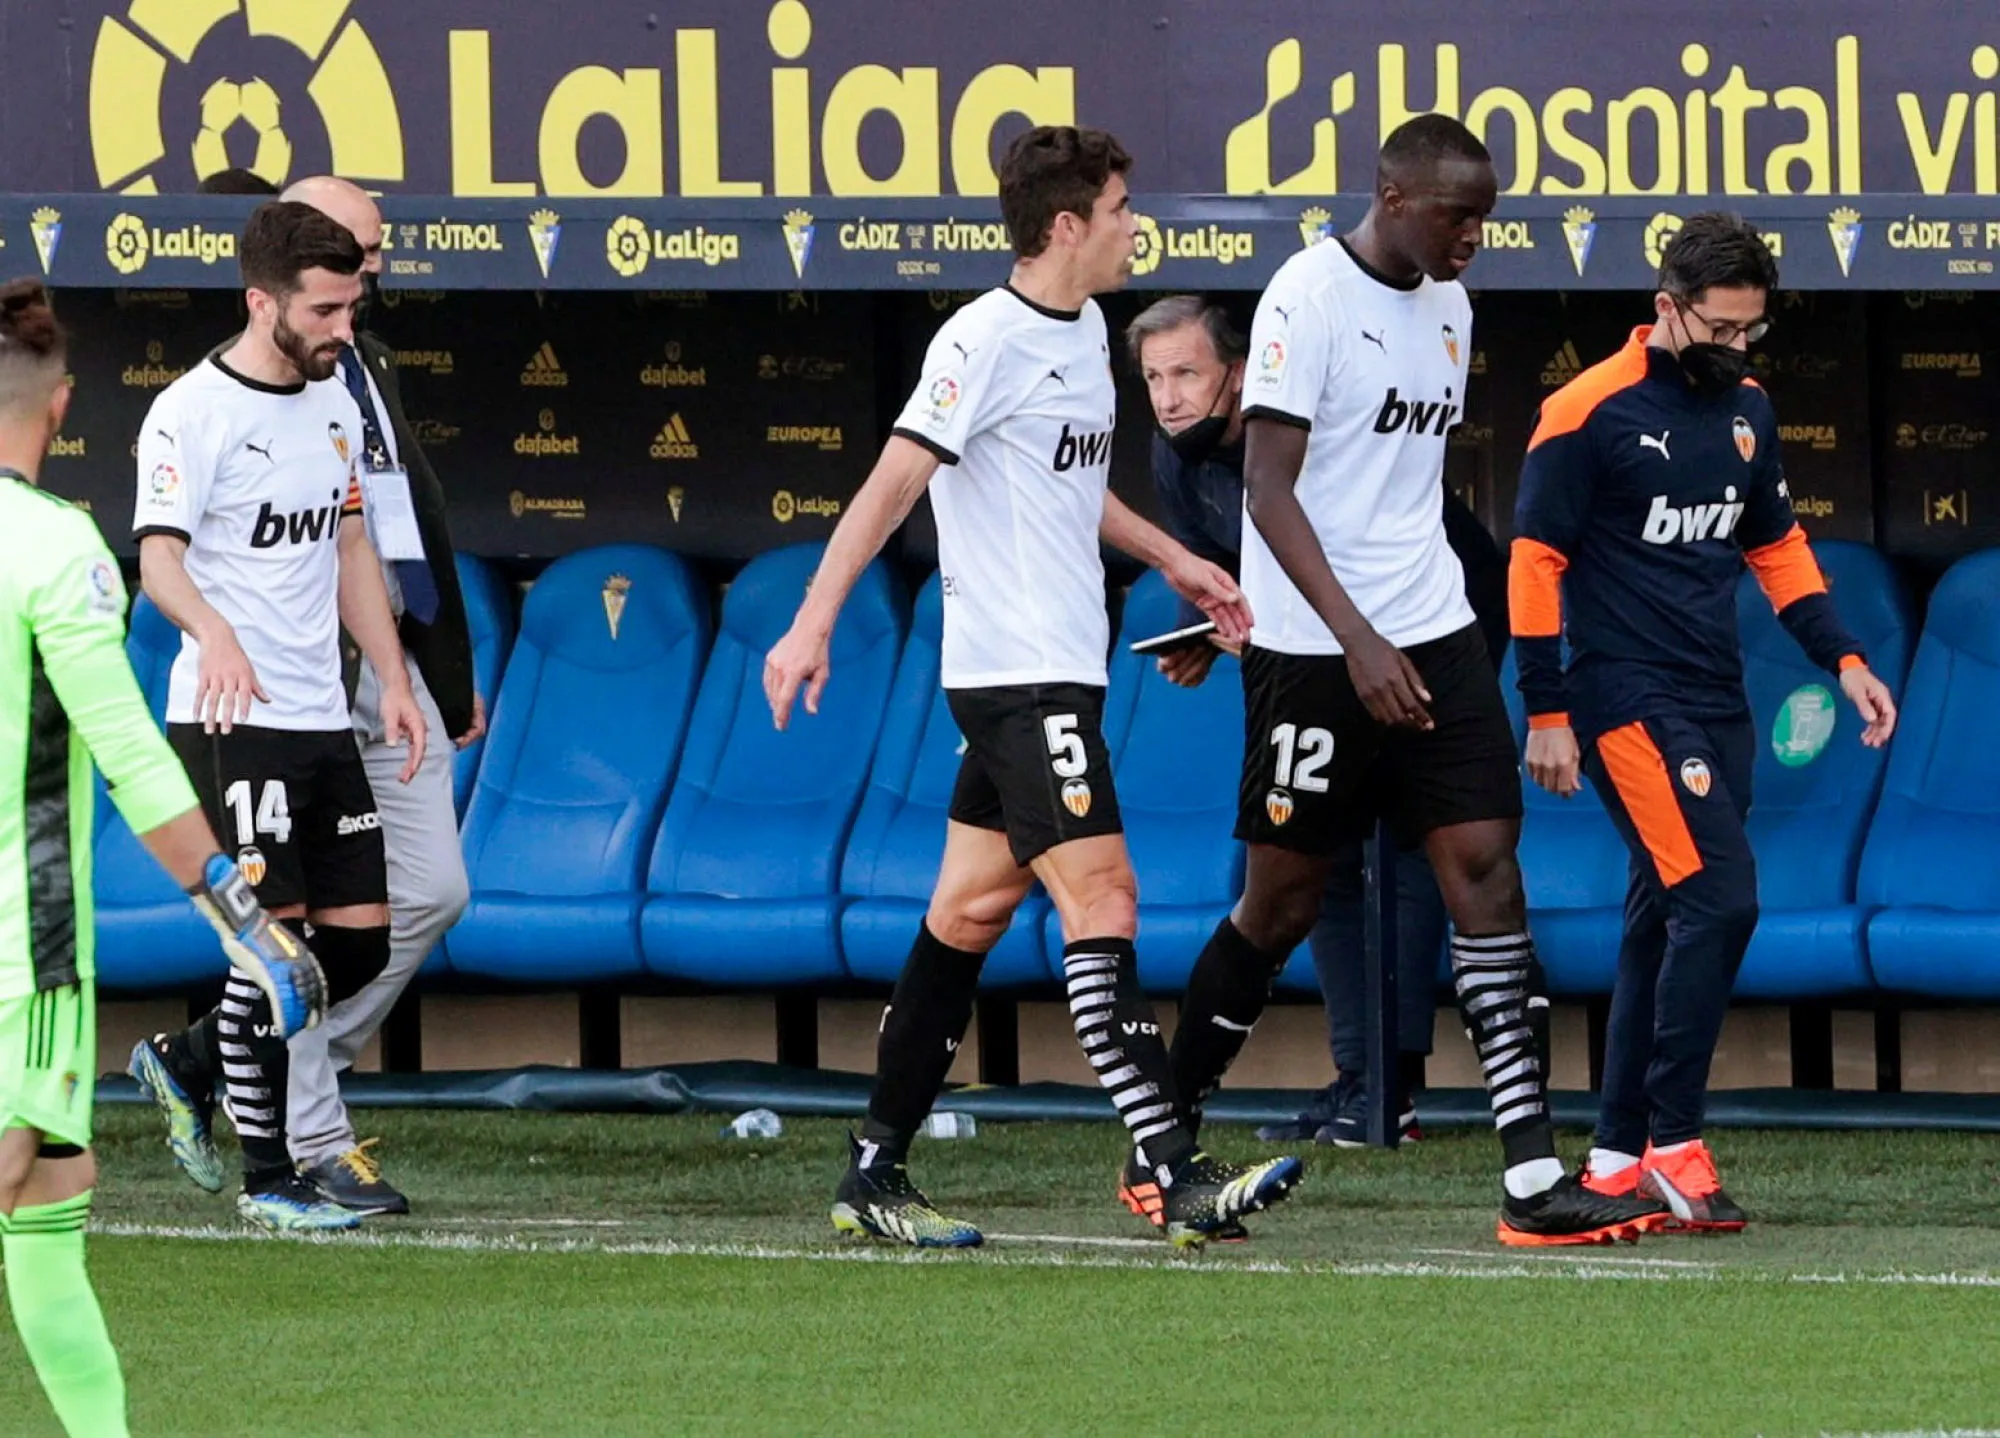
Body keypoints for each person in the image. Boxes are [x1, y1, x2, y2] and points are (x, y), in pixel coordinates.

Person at [763, 124, 1303, 1251]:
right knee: (1102, 902)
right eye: (1117, 208)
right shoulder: (980, 339)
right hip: (1015, 683)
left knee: (964, 913)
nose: (1130, 226)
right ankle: (1172, 1169)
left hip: (1063, 670)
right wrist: (810, 622)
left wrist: (1172, 557)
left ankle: (872, 1171)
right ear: (1066, 225)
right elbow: (891, 482)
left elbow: (1064, 484)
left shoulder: (1090, 327)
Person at [1161, 112, 1670, 1246]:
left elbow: (1401, 483)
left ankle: (1532, 1179)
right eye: (1457, 215)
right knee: (1280, 900)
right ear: (1392, 198)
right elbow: (1269, 489)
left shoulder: (1449, 300)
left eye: (1484, 217)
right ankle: (1163, 1140)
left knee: (1485, 870)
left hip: (1429, 627)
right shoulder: (1306, 296)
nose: (1474, 237)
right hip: (1312, 648)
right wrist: (1353, 637)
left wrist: (1407, 622)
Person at [1510, 212, 1898, 1230]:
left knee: (1661, 917)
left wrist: (1843, 658)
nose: (1734, 349)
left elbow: (1772, 545)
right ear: (1665, 308)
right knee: (1719, 900)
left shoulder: (1748, 409)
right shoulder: (1583, 410)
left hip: (1714, 698)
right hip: (1621, 698)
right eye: (1718, 330)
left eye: (1748, 332)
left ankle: (1608, 1159)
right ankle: (1673, 1141)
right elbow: (1532, 562)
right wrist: (1543, 707)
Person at [0, 276, 326, 1436]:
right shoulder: (53, 547)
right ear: (64, 404)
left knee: (47, 1202)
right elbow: (134, 754)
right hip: (19, 966)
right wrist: (242, 915)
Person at [1125, 292, 1513, 1154]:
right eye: (1153, 379)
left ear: (1240, 372)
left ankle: (1393, 1088)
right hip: (1310, 653)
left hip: (1432, 626)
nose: (1170, 397)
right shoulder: (1175, 459)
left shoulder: (1302, 432)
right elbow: (1239, 578)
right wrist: (1211, 632)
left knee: (1415, 844)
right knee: (1313, 865)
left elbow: (1371, 558)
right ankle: (1358, 1078)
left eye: (1187, 373)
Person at [124, 201, 428, 1234]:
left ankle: (185, 1059)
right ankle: (270, 1180)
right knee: (274, 957)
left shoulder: (337, 400)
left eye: (355, 304)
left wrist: (388, 676)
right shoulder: (189, 413)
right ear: (263, 303)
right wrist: (210, 630)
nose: (348, 326)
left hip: (319, 719)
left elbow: (348, 545)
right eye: (328, 308)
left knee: (357, 949)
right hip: (227, 720)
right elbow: (158, 556)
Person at [276, 175, 481, 1217]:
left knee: (435, 888)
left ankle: (259, 1060)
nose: (375, 271)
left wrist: (443, 676)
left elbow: (408, 522)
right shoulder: (252, 390)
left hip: (389, 671)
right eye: (358, 253)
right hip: (302, 683)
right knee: (320, 911)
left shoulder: (367, 358)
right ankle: (311, 1127)